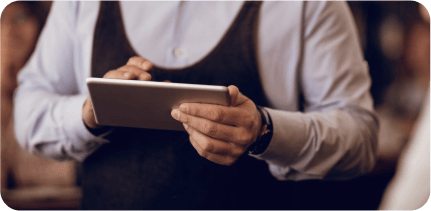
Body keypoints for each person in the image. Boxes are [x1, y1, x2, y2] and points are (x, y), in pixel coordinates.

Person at [14, 0, 378, 209]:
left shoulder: (307, 5)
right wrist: (89, 113)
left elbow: (360, 138)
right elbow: (28, 113)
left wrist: (266, 132)